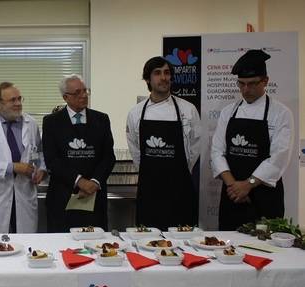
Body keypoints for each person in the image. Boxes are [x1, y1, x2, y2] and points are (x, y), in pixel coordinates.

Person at [211, 49, 293, 230]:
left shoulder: (281, 113)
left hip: (265, 196)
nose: (245, 90)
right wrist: (234, 186)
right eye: (241, 84)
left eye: (252, 84)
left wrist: (248, 185)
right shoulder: (228, 112)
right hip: (232, 195)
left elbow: (279, 157)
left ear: (265, 81)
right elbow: (217, 152)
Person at [126, 56, 201, 231]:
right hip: (149, 189)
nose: (164, 78)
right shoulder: (136, 113)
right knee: (148, 238)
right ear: (147, 79)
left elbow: (195, 147)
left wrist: (181, 171)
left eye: (167, 73)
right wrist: (149, 172)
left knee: (182, 239)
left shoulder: (187, 109)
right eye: (157, 73)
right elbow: (135, 149)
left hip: (180, 188)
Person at [42, 74, 115, 232]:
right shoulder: (51, 122)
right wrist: (80, 181)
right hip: (62, 197)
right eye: (77, 92)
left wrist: (94, 182)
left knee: (97, 246)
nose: (83, 95)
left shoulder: (101, 119)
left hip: (94, 198)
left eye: (85, 91)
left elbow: (108, 157)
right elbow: (52, 160)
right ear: (65, 97)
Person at [0, 82, 46, 233]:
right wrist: (13, 167)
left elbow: (39, 152)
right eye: (13, 100)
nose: (18, 103)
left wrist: (42, 169)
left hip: (24, 193)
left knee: (25, 244)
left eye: (19, 99)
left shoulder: (31, 123)